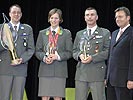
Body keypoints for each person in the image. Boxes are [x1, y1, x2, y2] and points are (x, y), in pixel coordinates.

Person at [73, 7, 110, 100]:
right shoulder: (79, 34)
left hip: (97, 74)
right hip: (81, 73)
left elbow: (108, 52)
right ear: (84, 18)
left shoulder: (105, 33)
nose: (90, 17)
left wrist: (92, 58)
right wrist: (79, 56)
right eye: (87, 15)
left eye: (92, 15)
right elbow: (74, 51)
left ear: (97, 17)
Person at [35, 8, 73, 100]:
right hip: (45, 70)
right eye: (51, 18)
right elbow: (37, 51)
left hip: (60, 70)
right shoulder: (42, 33)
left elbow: (70, 52)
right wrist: (44, 57)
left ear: (60, 20)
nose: (53, 20)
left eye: (56, 18)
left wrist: (58, 57)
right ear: (49, 19)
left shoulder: (66, 34)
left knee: (58, 97)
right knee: (45, 97)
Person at [0, 4, 35, 100]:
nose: (16, 14)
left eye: (18, 12)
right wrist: (4, 42)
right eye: (14, 12)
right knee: (3, 97)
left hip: (21, 69)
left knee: (18, 97)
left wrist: (22, 59)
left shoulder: (27, 29)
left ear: (21, 14)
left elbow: (31, 49)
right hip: (5, 69)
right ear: (9, 14)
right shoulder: (2, 28)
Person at [105, 6, 133, 100]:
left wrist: (131, 79)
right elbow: (110, 57)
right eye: (116, 17)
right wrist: (106, 76)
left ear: (128, 18)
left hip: (124, 81)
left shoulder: (132, 33)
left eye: (120, 17)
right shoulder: (114, 33)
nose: (117, 19)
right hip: (111, 80)